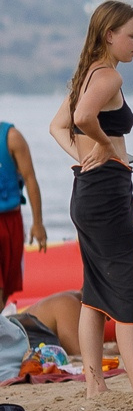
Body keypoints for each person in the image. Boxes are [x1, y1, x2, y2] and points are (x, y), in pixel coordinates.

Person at [47, 0, 133, 396]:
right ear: (110, 35)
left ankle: (95, 386)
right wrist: (106, 147)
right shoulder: (108, 77)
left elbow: (57, 126)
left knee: (94, 291)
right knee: (129, 286)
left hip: (88, 189)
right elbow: (78, 120)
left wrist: (83, 158)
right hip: (106, 192)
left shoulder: (85, 75)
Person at [2, 117, 47, 309]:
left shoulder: (11, 137)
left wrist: (37, 223)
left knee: (7, 290)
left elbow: (30, 179)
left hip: (10, 222)